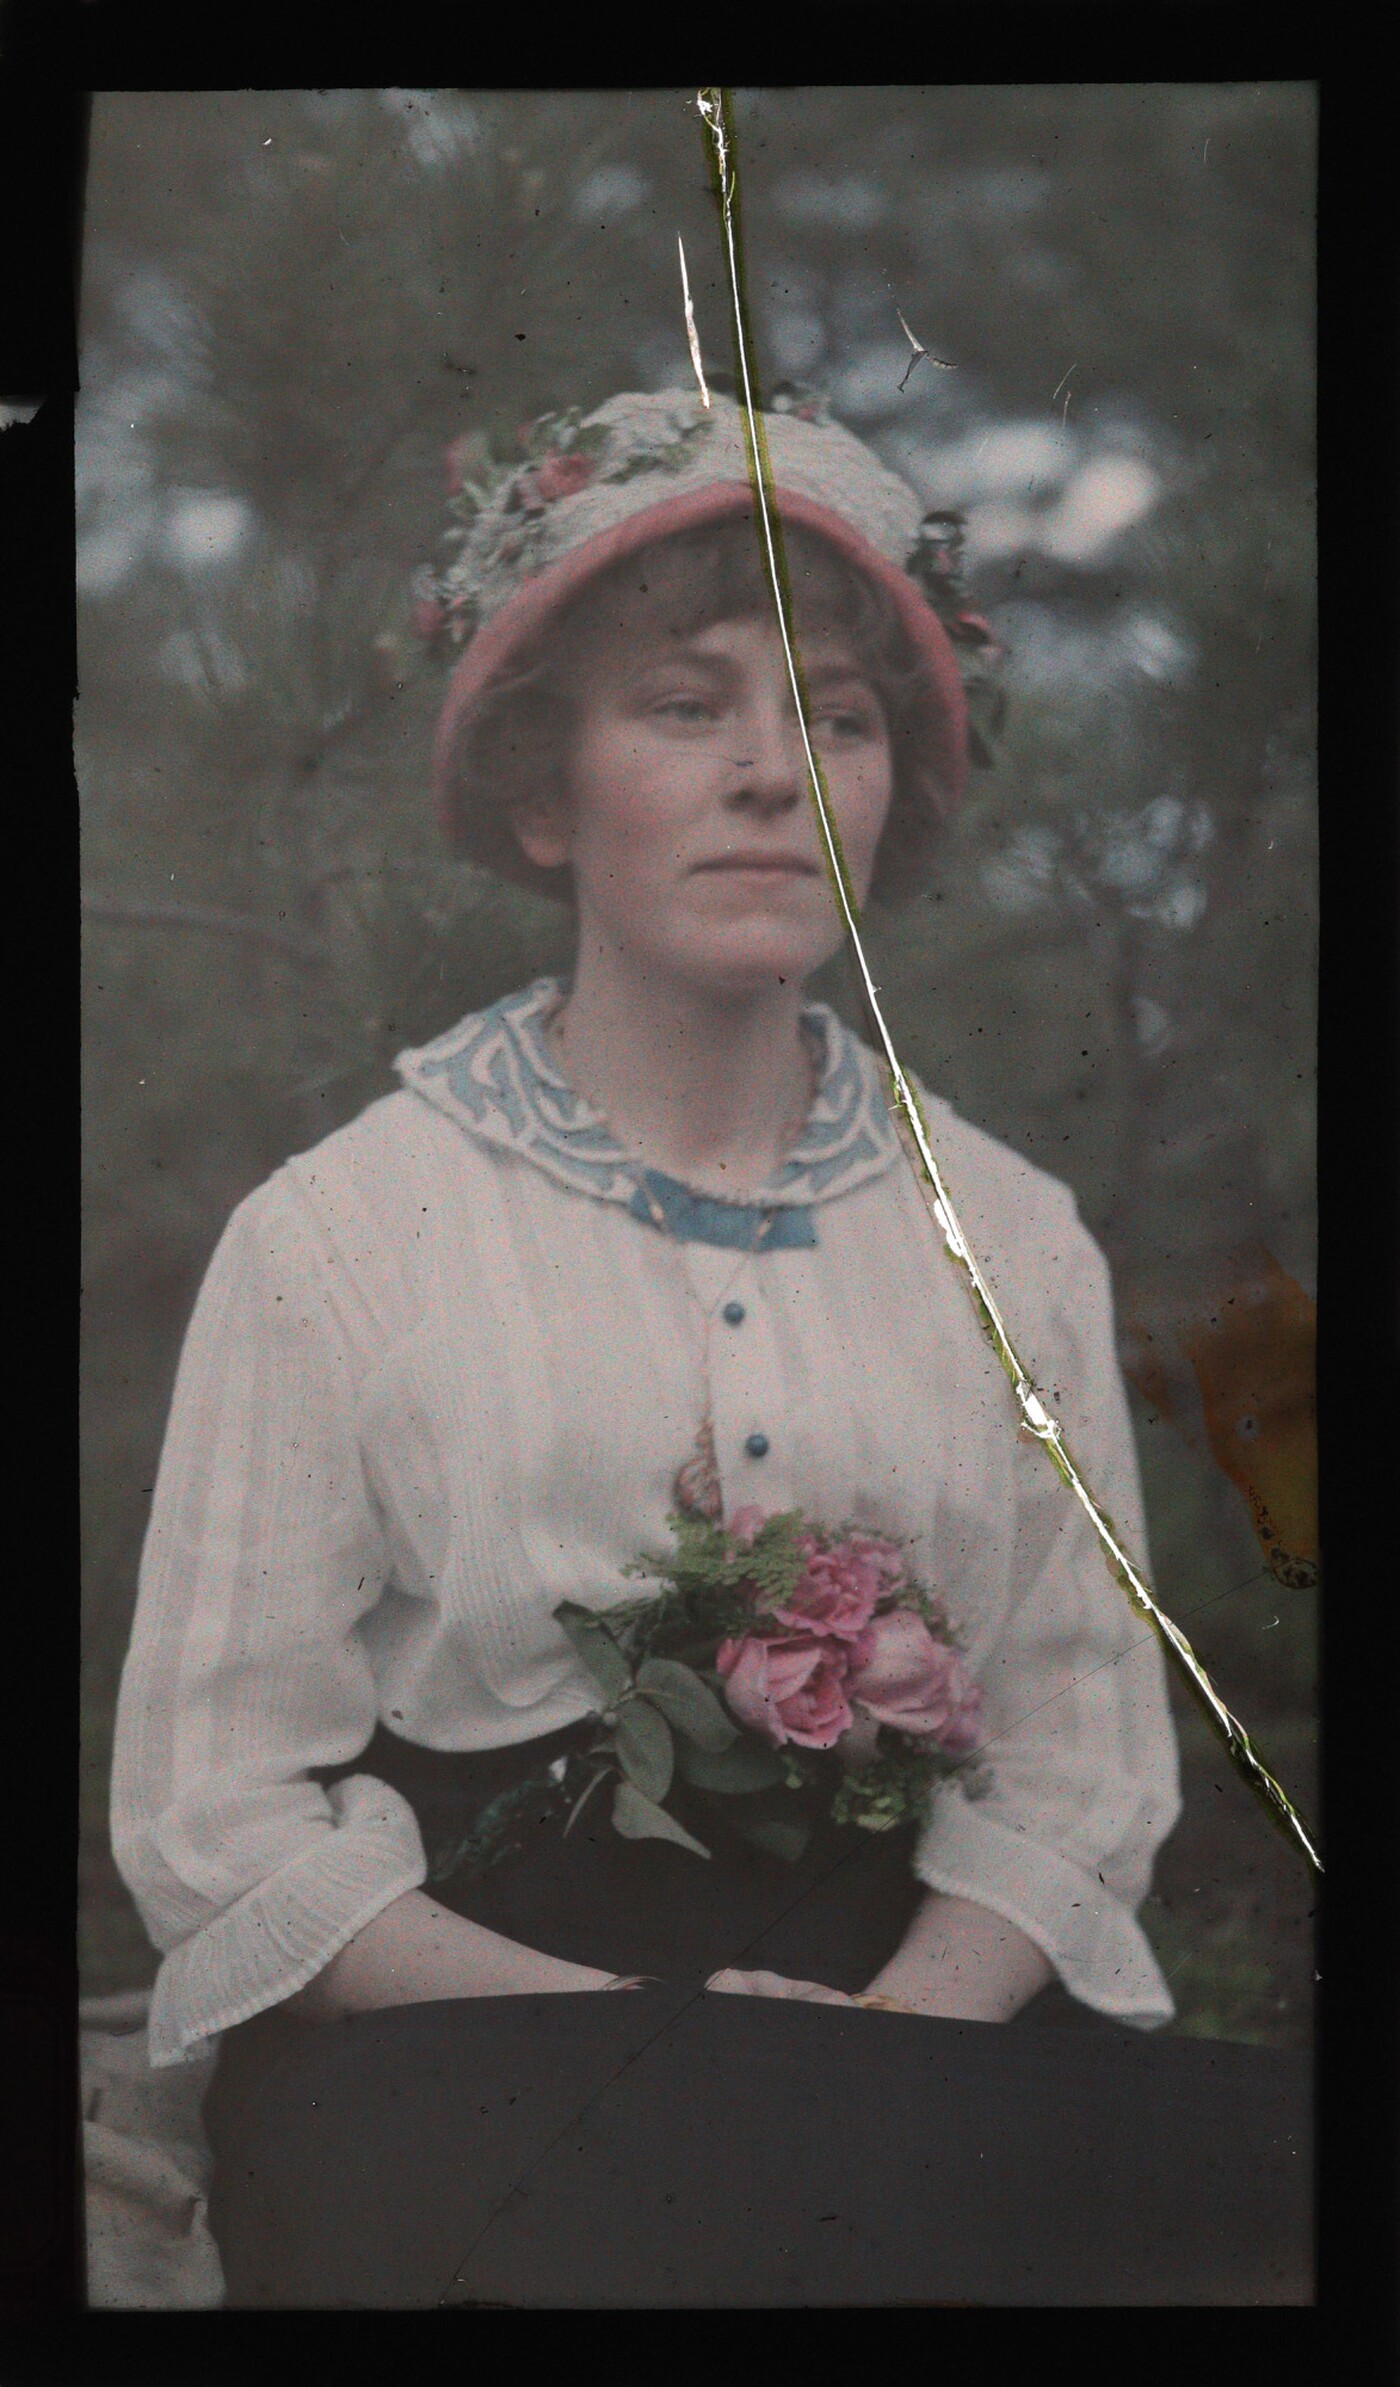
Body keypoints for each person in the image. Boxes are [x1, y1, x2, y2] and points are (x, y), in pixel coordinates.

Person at [109, 386, 1189, 2307]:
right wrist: (646, 2039)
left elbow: (1086, 1754)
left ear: (888, 795)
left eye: (834, 719)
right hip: (464, 2046)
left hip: (913, 2033)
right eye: (687, 706)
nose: (774, 776)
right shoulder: (339, 1237)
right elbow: (213, 1806)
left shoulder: (1013, 1239)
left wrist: (885, 2035)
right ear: (543, 790)